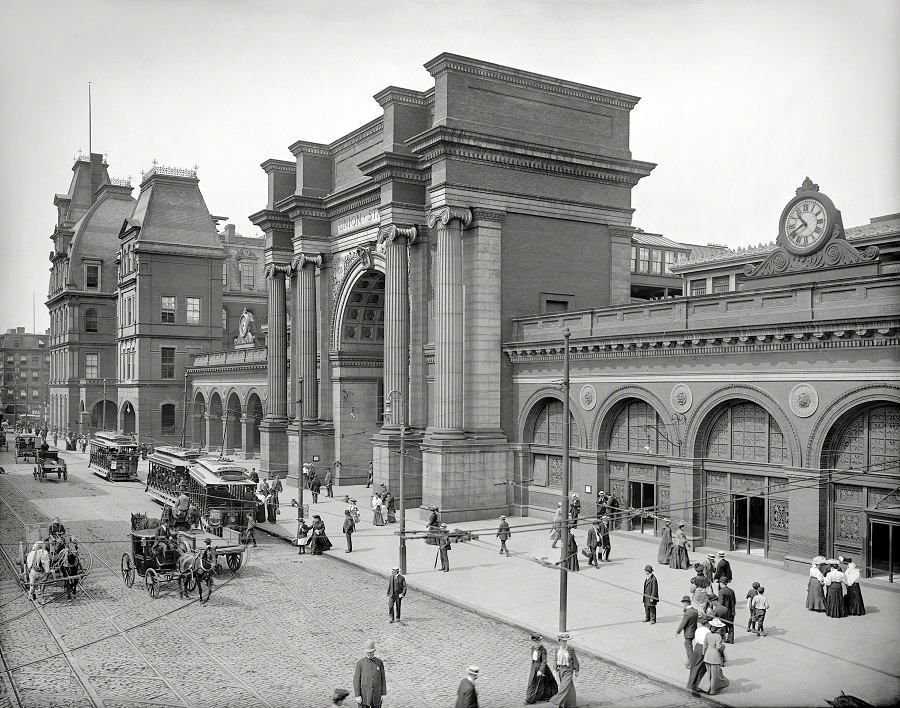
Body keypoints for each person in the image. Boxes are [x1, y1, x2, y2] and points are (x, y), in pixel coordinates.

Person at [353, 639, 387, 708]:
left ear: (374, 651)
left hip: (376, 696)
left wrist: (383, 693)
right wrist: (357, 695)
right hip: (364, 696)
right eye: (367, 652)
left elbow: (382, 679)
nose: (369, 654)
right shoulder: (360, 663)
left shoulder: (379, 662)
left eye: (371, 652)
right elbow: (356, 680)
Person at [525, 633, 557, 704]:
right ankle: (529, 697)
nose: (536, 643)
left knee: (542, 684)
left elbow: (544, 661)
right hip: (534, 668)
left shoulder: (543, 650)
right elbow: (533, 660)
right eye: (535, 642)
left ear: (540, 642)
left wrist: (540, 671)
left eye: (538, 642)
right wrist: (533, 669)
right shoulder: (533, 648)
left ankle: (531, 699)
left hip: (541, 669)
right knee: (531, 683)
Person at [549, 632, 579, 707]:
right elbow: (555, 660)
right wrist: (554, 669)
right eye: (562, 641)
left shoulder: (570, 650)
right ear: (559, 641)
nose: (564, 643)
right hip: (561, 670)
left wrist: (576, 670)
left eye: (565, 641)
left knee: (564, 686)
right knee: (569, 686)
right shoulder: (557, 649)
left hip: (568, 670)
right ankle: (570, 704)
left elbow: (575, 660)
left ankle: (557, 701)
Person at [702, 618, 729, 695]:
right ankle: (713, 690)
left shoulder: (707, 634)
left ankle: (704, 687)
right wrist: (723, 646)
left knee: (709, 673)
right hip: (714, 656)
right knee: (715, 675)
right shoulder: (718, 636)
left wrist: (704, 653)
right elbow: (718, 647)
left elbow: (705, 645)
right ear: (718, 628)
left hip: (707, 655)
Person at [686, 615, 710, 695]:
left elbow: (696, 639)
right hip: (703, 648)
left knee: (694, 666)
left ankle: (691, 684)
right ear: (707, 623)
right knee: (701, 668)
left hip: (697, 647)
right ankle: (697, 686)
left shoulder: (698, 630)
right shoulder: (708, 632)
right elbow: (707, 642)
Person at [675, 594, 699, 668]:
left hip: (688, 633)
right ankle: (689, 661)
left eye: (683, 603)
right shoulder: (695, 611)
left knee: (689, 648)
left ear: (686, 603)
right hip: (693, 630)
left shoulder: (688, 613)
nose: (683, 604)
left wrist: (678, 631)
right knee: (689, 646)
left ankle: (692, 663)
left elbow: (683, 623)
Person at [718, 577, 737, 643]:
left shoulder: (721, 591)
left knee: (721, 624)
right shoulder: (731, 591)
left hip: (724, 611)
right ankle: (731, 639)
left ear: (721, 583)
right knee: (731, 625)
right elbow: (734, 601)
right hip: (731, 611)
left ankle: (721, 637)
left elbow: (720, 603)